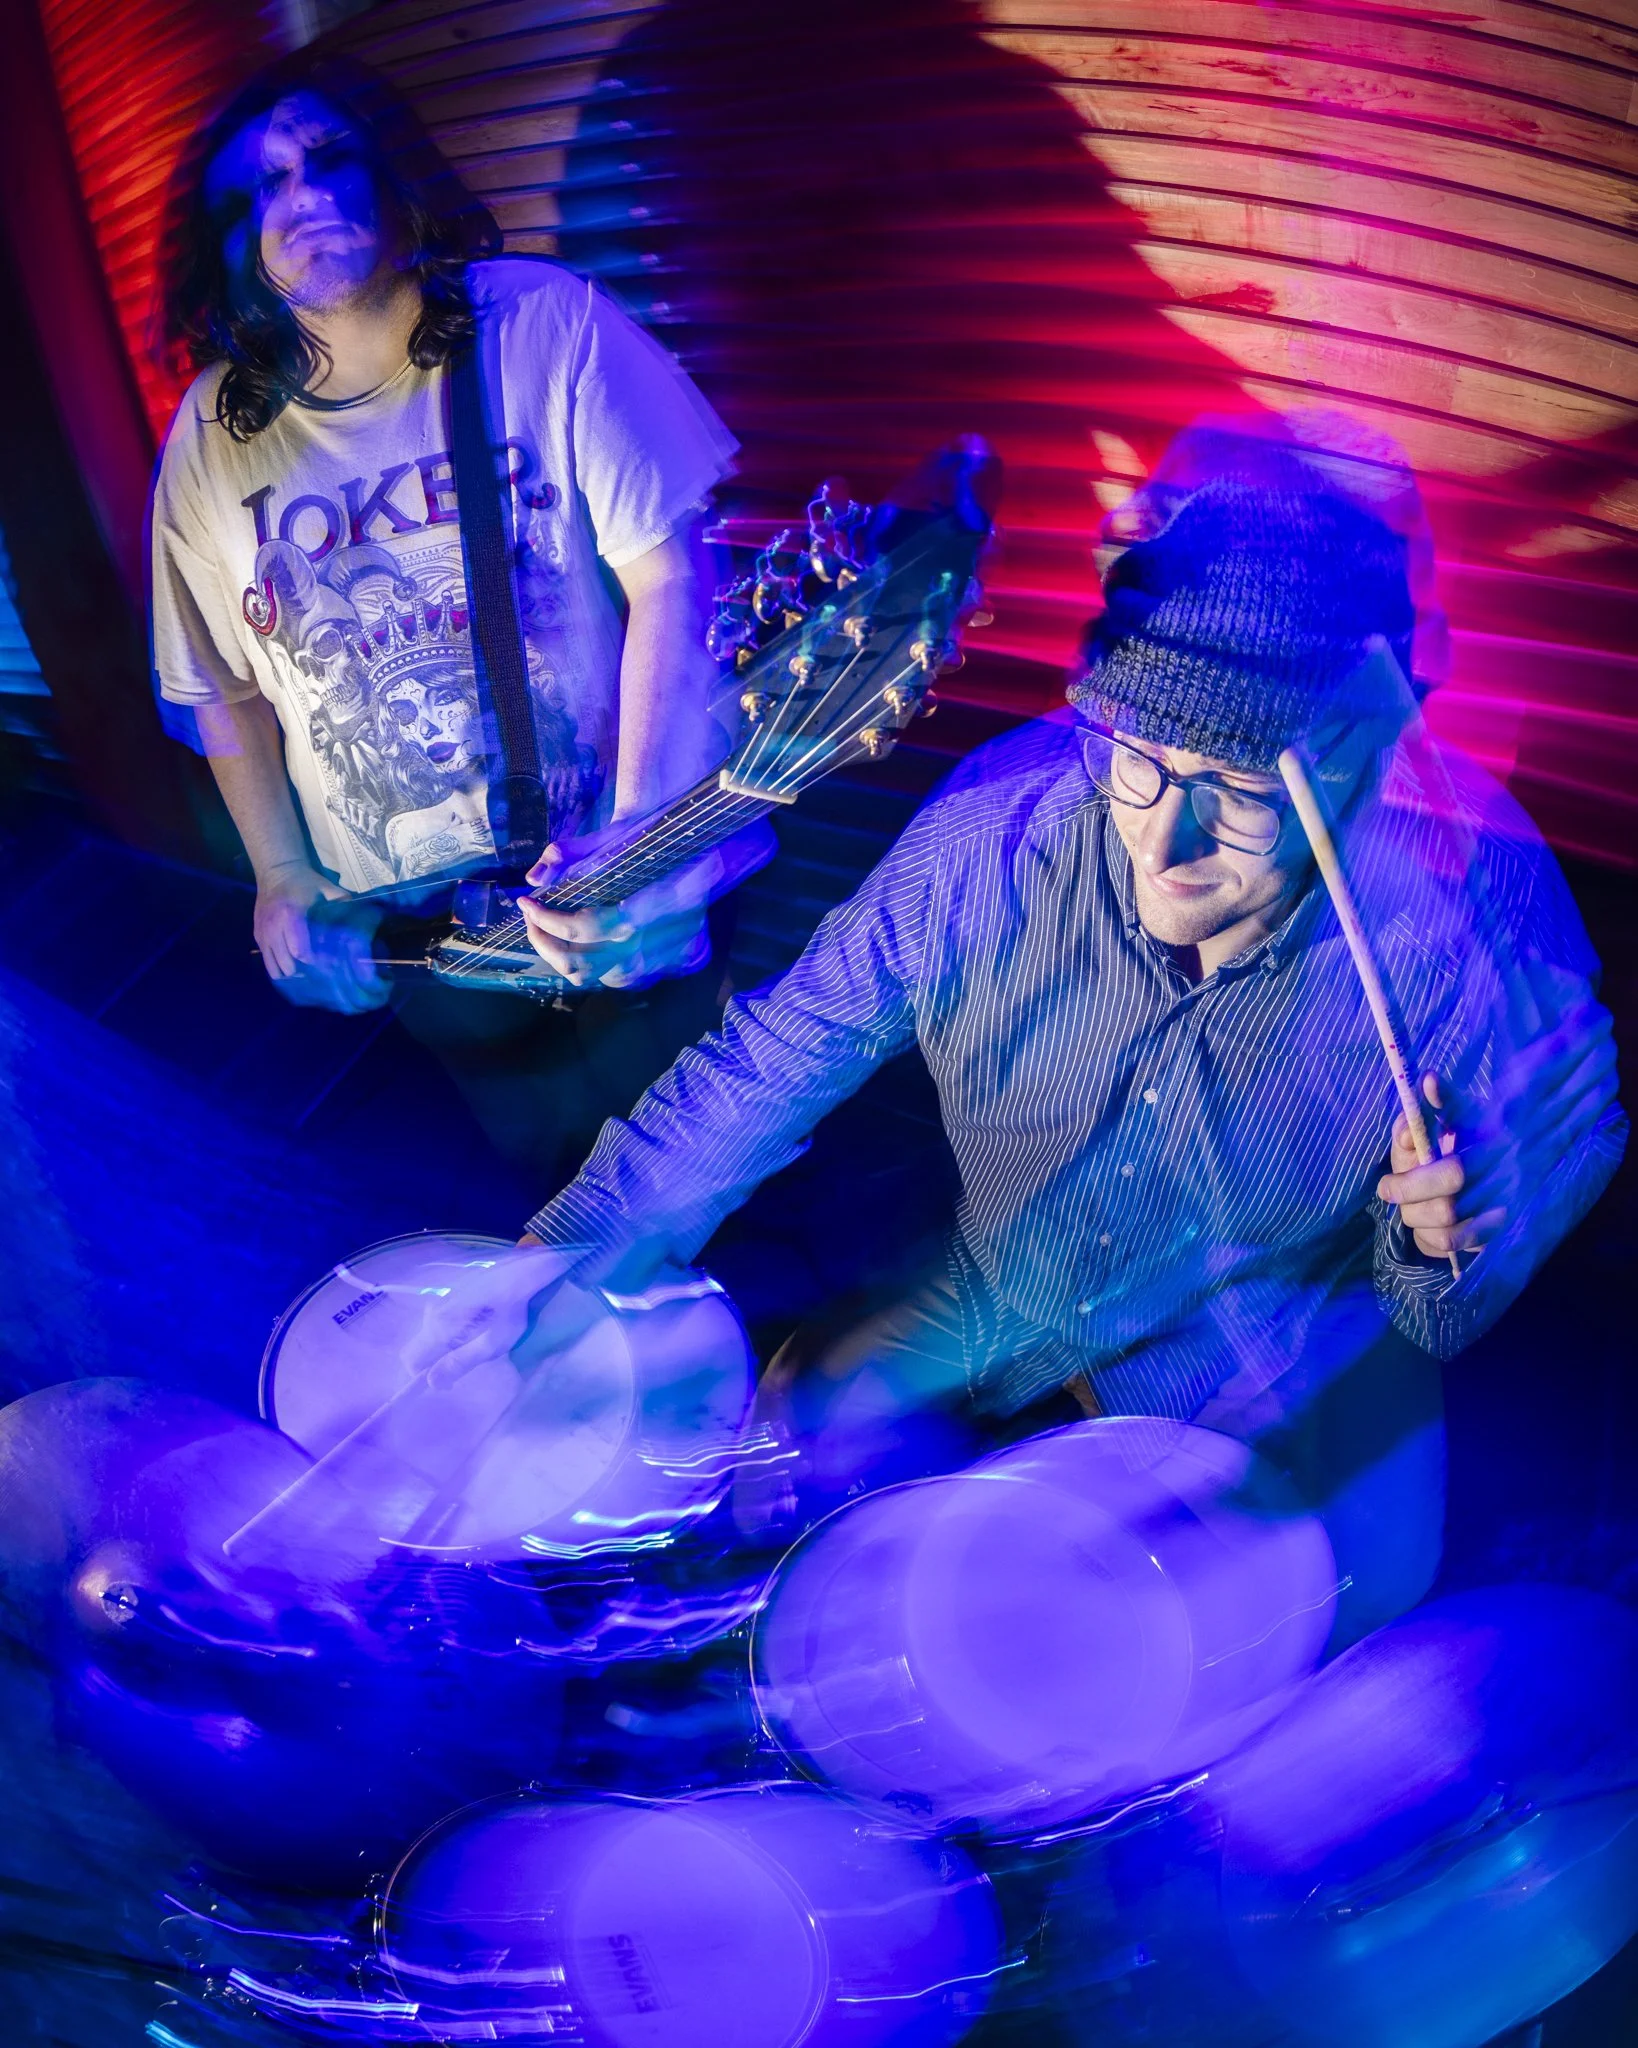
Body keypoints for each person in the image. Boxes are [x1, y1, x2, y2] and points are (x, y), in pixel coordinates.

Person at [518, 444, 1625, 1645]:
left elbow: (1439, 1311)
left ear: (1353, 764)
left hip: (1264, 1340)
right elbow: (772, 1061)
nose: (1165, 838)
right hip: (1015, 1276)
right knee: (780, 1475)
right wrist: (563, 1264)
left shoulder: (1483, 937)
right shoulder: (1000, 834)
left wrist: (1454, 1244)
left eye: (1241, 793)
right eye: (1134, 759)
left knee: (1323, 1633)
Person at [152, 52, 758, 1183]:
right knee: (548, 1169)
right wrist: (284, 875)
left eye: (328, 158)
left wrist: (638, 830)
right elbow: (220, 686)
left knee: (714, 1152)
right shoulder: (208, 439)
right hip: (416, 924)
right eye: (262, 187)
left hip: (611, 862)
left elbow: (672, 575)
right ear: (230, 246)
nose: (303, 194)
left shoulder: (541, 326)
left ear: (391, 171)